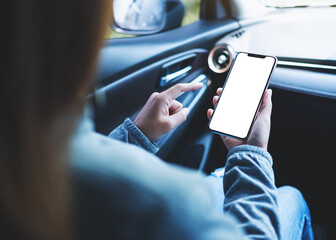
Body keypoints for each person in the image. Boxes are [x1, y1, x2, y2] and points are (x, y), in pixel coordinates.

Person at [0, 0, 313, 239]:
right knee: (289, 198)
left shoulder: (26, 163)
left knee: (219, 178)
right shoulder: (170, 206)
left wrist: (136, 135)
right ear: (77, 30)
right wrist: (250, 155)